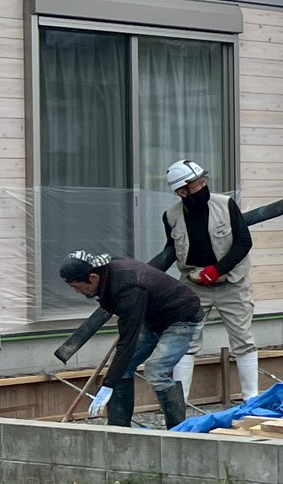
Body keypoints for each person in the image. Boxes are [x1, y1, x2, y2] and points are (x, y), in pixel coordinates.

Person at [58, 251, 205, 428]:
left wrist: (108, 384)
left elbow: (128, 340)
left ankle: (177, 431)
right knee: (121, 367)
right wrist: (112, 379)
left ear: (93, 277)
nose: (78, 291)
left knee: (156, 370)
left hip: (183, 319)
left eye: (77, 286)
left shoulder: (129, 288)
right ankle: (119, 429)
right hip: (154, 318)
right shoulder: (108, 275)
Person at [157, 160, 259, 402]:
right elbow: (171, 250)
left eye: (203, 181)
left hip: (232, 283)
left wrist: (218, 269)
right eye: (196, 184)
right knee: (186, 340)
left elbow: (244, 242)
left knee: (243, 340)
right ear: (181, 191)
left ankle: (251, 399)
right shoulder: (171, 216)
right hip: (193, 284)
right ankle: (179, 402)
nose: (203, 186)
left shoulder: (225, 205)